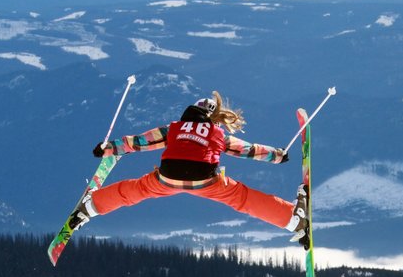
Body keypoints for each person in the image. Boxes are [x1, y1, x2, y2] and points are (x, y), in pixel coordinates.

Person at [70, 91, 310, 248]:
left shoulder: (172, 129)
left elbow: (137, 142)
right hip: (206, 181)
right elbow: (247, 150)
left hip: (167, 177)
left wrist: (108, 149)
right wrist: (277, 156)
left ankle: (89, 207)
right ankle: (293, 220)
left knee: (134, 190)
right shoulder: (217, 134)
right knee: (243, 199)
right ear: (212, 118)